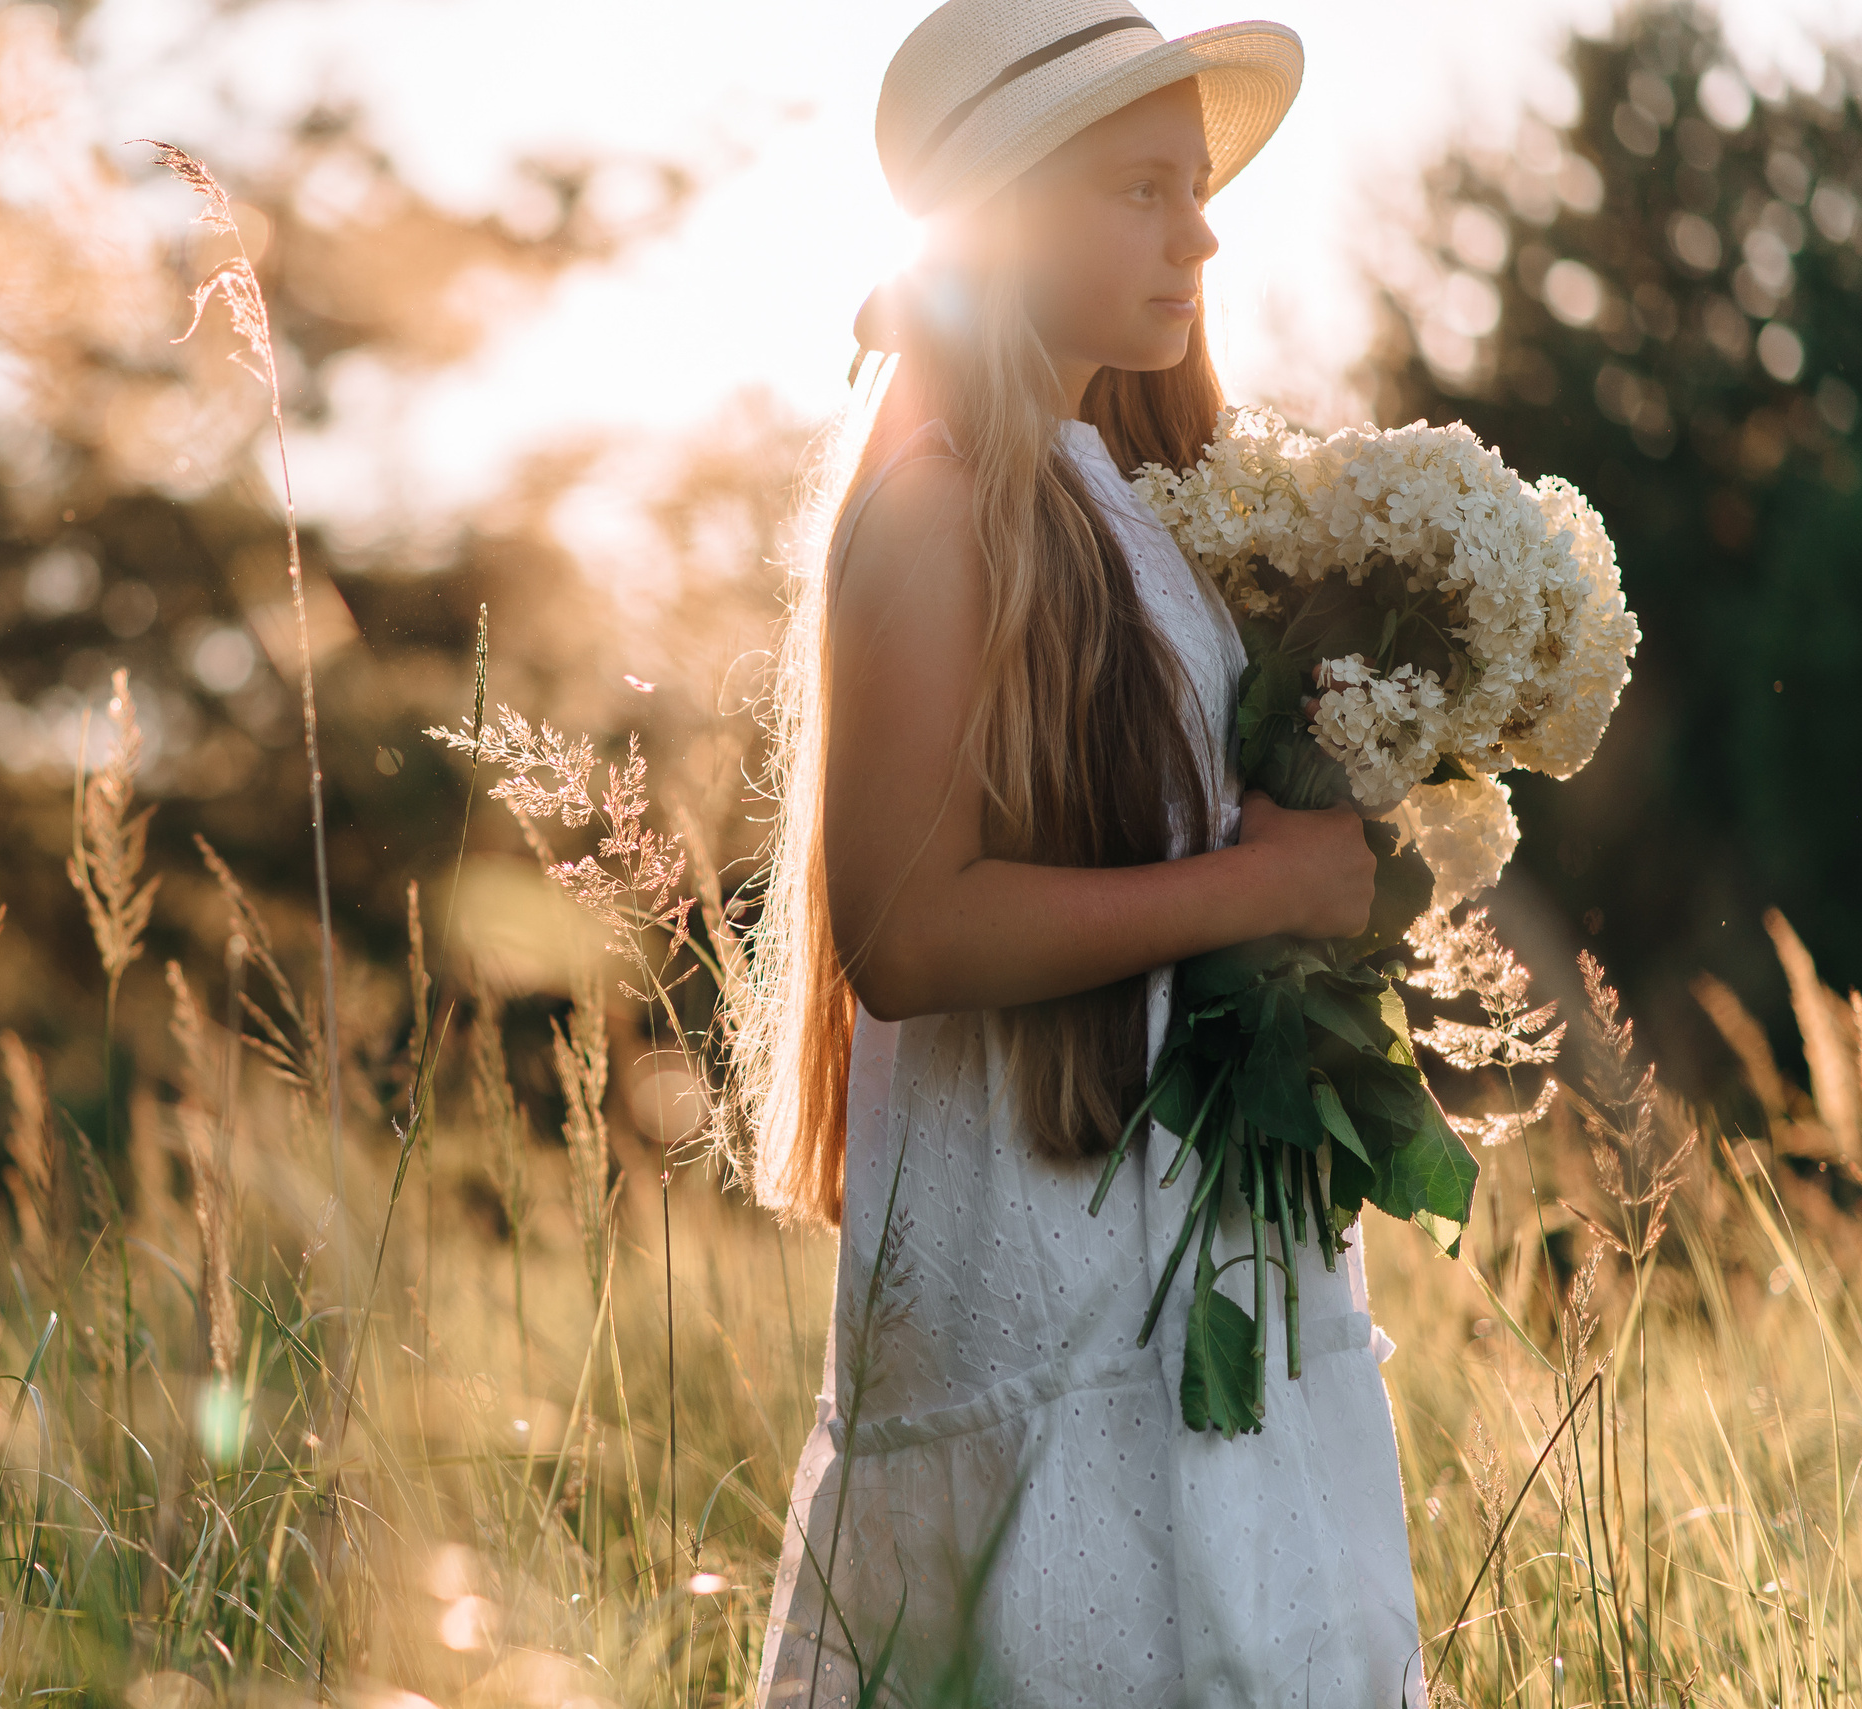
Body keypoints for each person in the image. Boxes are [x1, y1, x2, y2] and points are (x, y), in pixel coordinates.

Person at [741, 3, 1426, 1704]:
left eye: (1194, 185)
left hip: (1179, 1244)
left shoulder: (1129, 493)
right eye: (1142, 186)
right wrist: (1263, 888)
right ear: (1005, 213)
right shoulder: (932, 501)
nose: (1199, 229)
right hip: (1036, 1267)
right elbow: (905, 932)